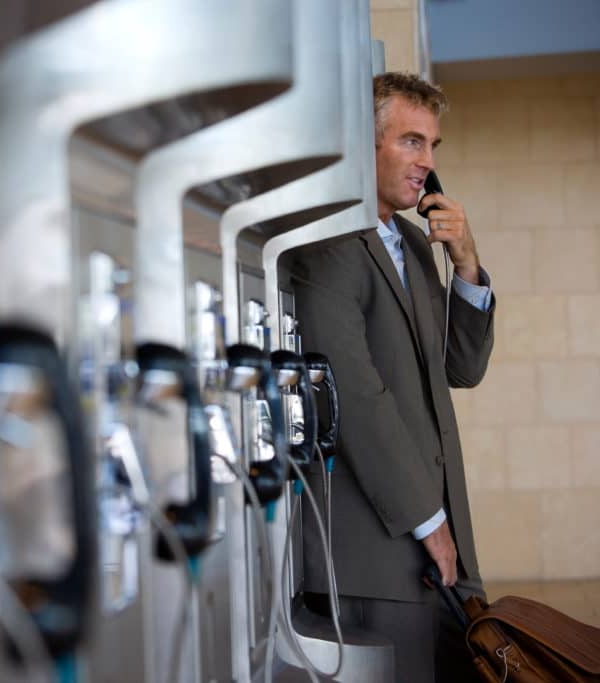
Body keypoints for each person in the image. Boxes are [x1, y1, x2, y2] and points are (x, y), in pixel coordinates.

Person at [292, 72, 495, 682]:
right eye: (411, 142)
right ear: (364, 142)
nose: (426, 163)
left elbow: (461, 368)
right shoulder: (325, 244)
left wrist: (466, 265)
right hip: (377, 550)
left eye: (432, 147)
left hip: (436, 534)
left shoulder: (409, 241)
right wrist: (426, 521)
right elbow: (354, 390)